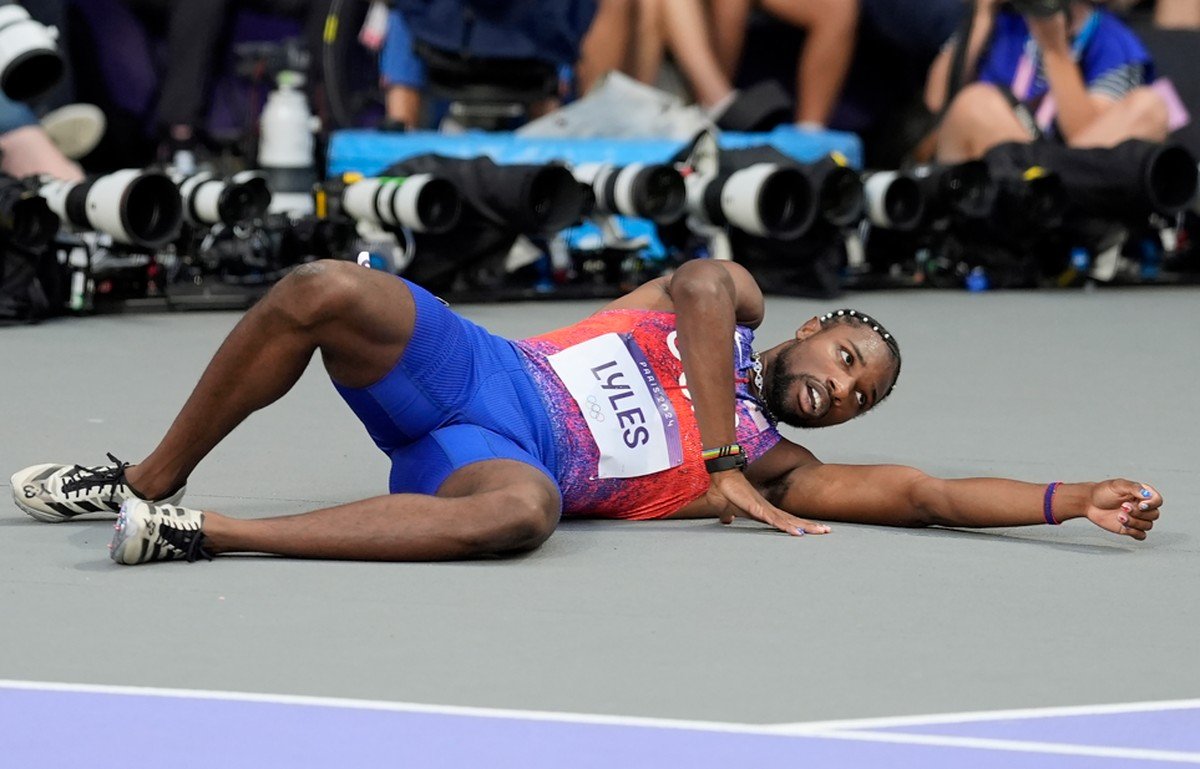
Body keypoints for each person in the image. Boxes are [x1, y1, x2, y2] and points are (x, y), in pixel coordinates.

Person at [11, 259, 1163, 564]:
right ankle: (144, 479)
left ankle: (197, 532)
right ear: (813, 325)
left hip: (492, 463)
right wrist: (712, 453)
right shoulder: (736, 309)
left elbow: (925, 495)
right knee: (321, 289)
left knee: (525, 512)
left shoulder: (780, 467)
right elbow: (707, 283)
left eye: (862, 394)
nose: (845, 384)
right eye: (850, 353)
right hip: (479, 376)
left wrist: (1073, 497)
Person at [926, 0, 1173, 163]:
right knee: (976, 105)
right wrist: (981, 17)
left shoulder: (1114, 44)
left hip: (1062, 180)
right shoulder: (1002, 22)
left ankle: (1038, 186)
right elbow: (937, 100)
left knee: (1147, 106)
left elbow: (1090, 146)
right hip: (981, 172)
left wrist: (1055, 51)